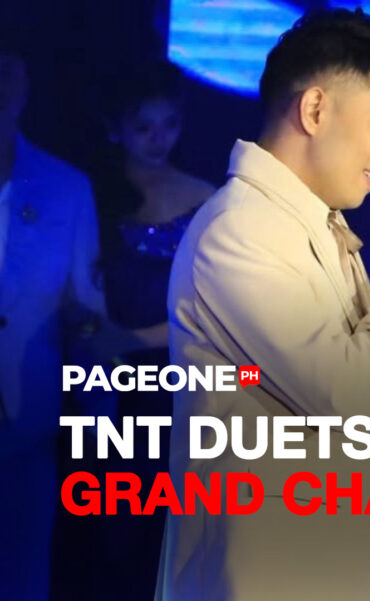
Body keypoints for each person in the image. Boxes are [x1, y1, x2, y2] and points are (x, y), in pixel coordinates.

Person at [155, 9, 370, 601]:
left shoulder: (307, 225)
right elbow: (336, 393)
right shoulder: (240, 230)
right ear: (316, 110)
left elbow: (289, 421)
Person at [87, 60, 215, 601]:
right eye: (143, 126)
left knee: (174, 524)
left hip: (185, 379)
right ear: (114, 128)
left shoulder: (208, 199)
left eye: (170, 124)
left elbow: (219, 306)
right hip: (99, 378)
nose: (159, 138)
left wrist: (137, 342)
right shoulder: (85, 197)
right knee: (108, 523)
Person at [0, 31, 107, 601]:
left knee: (22, 581)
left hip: (28, 430)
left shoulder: (66, 188)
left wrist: (100, 427)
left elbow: (88, 318)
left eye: (6, 72)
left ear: (24, 85)